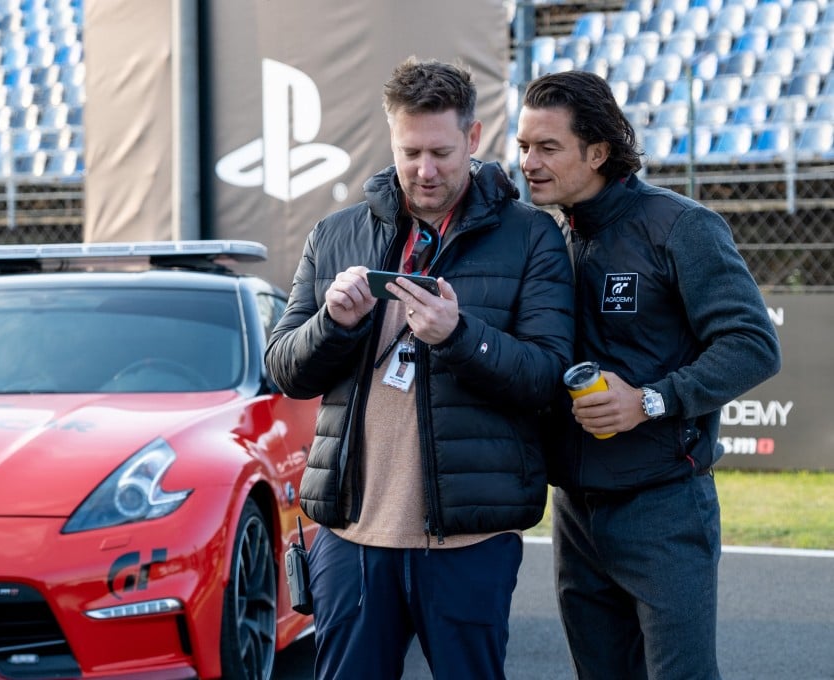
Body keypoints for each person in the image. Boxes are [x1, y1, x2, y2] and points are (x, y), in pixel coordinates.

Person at [265, 56, 574, 680]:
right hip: (350, 535)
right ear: (391, 139)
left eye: (441, 152)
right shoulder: (335, 235)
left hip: (469, 541)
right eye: (410, 153)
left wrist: (460, 336)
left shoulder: (532, 237)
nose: (425, 171)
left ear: (474, 138)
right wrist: (333, 324)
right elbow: (284, 369)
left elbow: (547, 376)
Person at [516, 70, 782, 680]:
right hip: (575, 512)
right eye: (525, 145)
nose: (529, 161)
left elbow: (753, 344)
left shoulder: (681, 226)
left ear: (599, 151)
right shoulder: (547, 236)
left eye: (547, 147)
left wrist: (652, 400)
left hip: (664, 507)